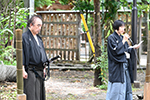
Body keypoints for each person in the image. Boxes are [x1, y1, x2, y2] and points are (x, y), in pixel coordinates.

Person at [106, 20, 140, 100]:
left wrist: (133, 47)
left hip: (124, 66)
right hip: (117, 67)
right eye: (121, 27)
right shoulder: (111, 38)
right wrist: (124, 41)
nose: (123, 29)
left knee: (127, 85)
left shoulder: (121, 37)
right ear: (116, 28)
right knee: (117, 87)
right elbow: (116, 51)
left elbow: (125, 50)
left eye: (123, 27)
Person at [22, 15, 48, 100]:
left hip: (40, 70)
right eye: (38, 25)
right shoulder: (25, 37)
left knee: (39, 95)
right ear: (31, 25)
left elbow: (42, 53)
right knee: (31, 95)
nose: (40, 28)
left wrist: (44, 68)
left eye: (41, 26)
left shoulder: (39, 38)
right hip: (30, 70)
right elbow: (22, 54)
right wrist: (22, 70)